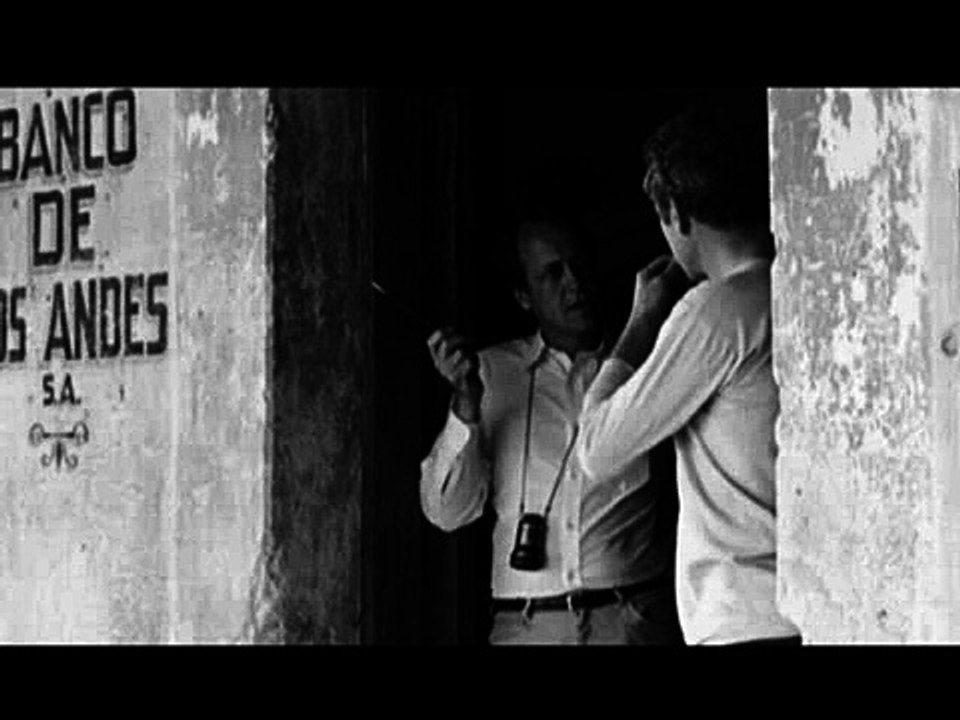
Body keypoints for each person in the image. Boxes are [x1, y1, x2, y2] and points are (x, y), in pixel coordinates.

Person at [576, 109, 803, 646]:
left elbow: (598, 448)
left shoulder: (714, 311)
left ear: (676, 213)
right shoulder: (797, 289)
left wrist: (639, 324)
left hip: (744, 615)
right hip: (802, 605)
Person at [419, 217, 683, 645]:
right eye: (552, 272)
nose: (573, 283)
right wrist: (465, 403)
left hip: (630, 621)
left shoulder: (646, 364)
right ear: (524, 296)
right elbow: (447, 512)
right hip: (527, 625)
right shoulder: (492, 373)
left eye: (579, 266)